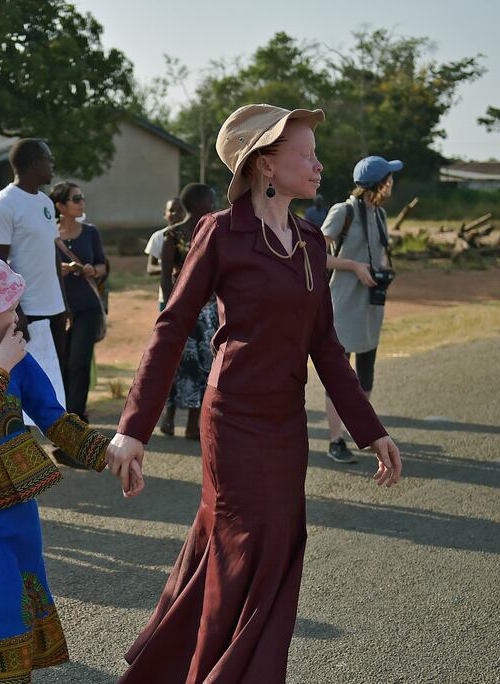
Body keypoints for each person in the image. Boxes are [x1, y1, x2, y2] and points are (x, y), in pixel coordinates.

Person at [107, 104, 402, 683]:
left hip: (285, 426)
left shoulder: (312, 242)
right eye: (306, 154)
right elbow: (170, 328)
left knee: (275, 550)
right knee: (247, 552)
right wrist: (132, 429)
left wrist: (372, 431)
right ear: (266, 164)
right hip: (234, 423)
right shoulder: (221, 232)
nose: (319, 165)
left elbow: (326, 345)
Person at [0, 255, 140, 684]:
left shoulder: (14, 357)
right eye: (10, 307)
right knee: (3, 613)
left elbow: (53, 418)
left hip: (20, 502)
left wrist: (111, 454)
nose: (17, 316)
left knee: (28, 600)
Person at [320, 156, 402, 464]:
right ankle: (334, 440)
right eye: (389, 179)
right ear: (380, 184)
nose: (393, 183)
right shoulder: (343, 211)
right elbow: (317, 254)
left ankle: (361, 431)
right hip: (342, 305)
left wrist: (381, 272)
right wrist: (353, 266)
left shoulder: (379, 214)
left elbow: (378, 254)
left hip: (370, 306)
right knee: (339, 376)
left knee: (365, 378)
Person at [0, 139, 68, 426]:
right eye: (49, 159)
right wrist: (16, 310)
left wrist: (64, 302)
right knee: (24, 380)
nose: (52, 165)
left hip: (53, 306)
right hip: (25, 310)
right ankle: (20, 447)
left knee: (53, 377)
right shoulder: (4, 203)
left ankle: (58, 441)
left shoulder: (45, 203)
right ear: (34, 163)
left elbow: (52, 254)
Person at [156, 183, 219, 440]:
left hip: (207, 312)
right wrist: (172, 310)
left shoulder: (214, 231)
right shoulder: (172, 235)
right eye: (211, 199)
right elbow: (165, 277)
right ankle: (168, 417)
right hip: (183, 310)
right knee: (177, 364)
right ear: (199, 204)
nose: (214, 204)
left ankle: (194, 423)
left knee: (204, 365)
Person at [49, 181, 108, 421]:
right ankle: (61, 417)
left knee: (78, 363)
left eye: (82, 197)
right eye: (76, 199)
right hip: (58, 308)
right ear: (60, 206)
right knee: (61, 364)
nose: (82, 202)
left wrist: (90, 270)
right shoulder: (49, 234)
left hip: (87, 307)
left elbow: (103, 265)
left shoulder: (91, 232)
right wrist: (56, 269)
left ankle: (77, 416)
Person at [145, 197, 184, 278]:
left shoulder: (194, 235)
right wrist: (169, 269)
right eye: (171, 210)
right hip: (167, 287)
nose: (175, 213)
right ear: (164, 214)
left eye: (180, 210)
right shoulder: (158, 237)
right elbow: (150, 268)